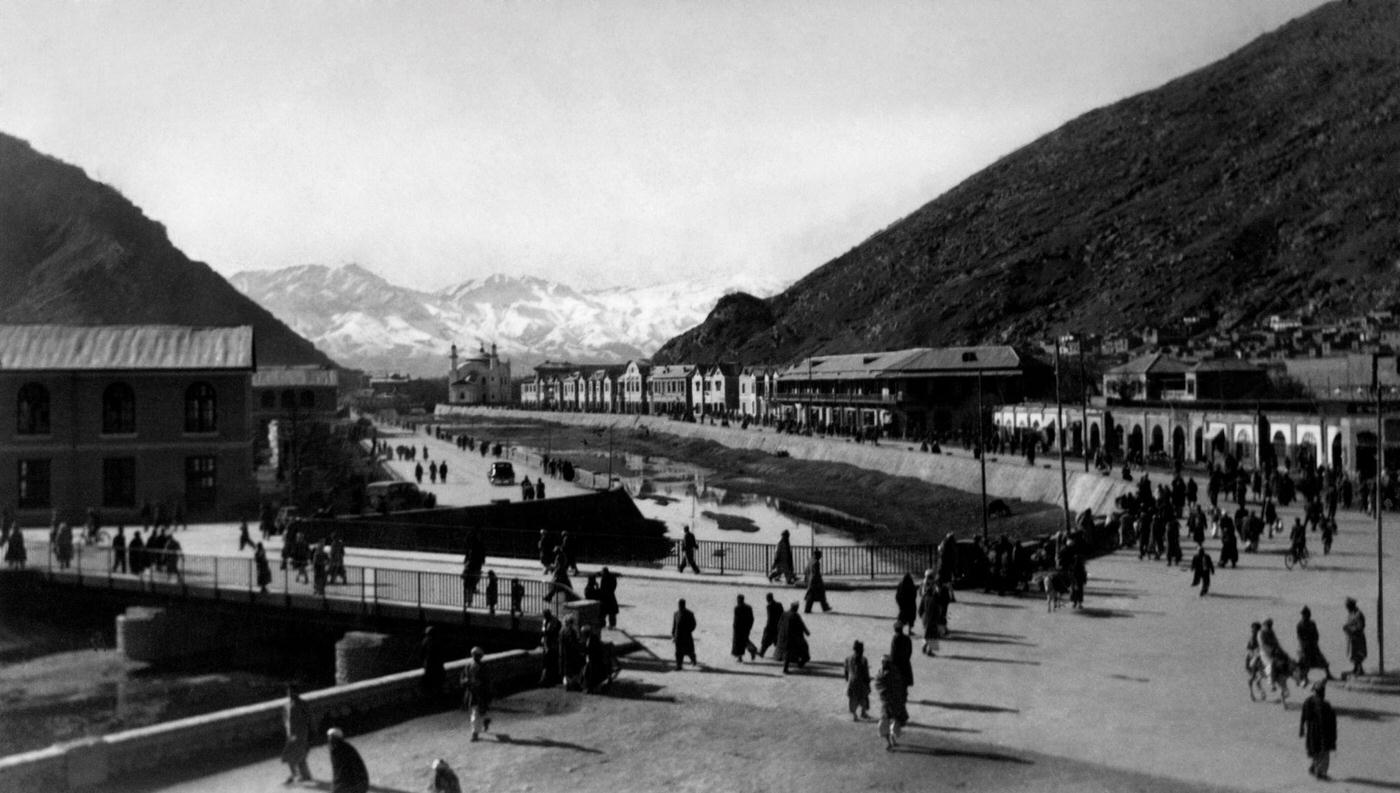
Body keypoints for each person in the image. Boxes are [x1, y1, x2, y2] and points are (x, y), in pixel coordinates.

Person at [1299, 682, 1338, 780]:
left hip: (1311, 731)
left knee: (1315, 749)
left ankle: (1314, 767)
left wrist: (1302, 728)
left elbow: (1303, 716)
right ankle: (1320, 772)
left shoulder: (1308, 701)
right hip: (1322, 732)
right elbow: (1329, 720)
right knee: (1324, 752)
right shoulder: (1325, 705)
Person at [874, 654, 909, 751]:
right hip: (887, 703)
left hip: (894, 703)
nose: (882, 664)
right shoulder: (882, 673)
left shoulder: (894, 673)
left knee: (893, 722)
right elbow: (878, 684)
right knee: (884, 723)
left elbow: (900, 687)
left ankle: (892, 740)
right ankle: (889, 742)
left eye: (884, 662)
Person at [282, 686, 313, 785]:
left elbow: (309, 719)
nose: (290, 694)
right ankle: (299, 774)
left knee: (299, 755)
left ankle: (303, 775)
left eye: (292, 692)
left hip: (301, 734)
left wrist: (311, 732)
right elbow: (285, 720)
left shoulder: (303, 704)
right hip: (291, 735)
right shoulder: (286, 705)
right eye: (289, 692)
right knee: (289, 755)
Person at [461, 647, 493, 741]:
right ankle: (483, 722)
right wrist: (466, 681)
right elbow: (462, 679)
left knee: (476, 712)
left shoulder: (481, 667)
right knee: (477, 711)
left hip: (480, 693)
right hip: (473, 693)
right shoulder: (469, 666)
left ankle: (475, 733)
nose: (475, 657)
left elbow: (487, 682)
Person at [1295, 606, 1333, 681]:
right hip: (1305, 647)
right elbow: (1299, 636)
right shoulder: (1300, 625)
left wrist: (1315, 641)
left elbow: (1316, 634)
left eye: (1308, 614)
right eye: (1305, 614)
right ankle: (1304, 677)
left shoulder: (1312, 623)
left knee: (1322, 661)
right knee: (1305, 663)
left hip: (1313, 646)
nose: (1307, 616)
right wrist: (1304, 645)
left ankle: (1328, 674)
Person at [326, 727, 369, 793]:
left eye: (332, 737)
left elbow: (343, 772)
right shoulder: (344, 748)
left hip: (352, 784)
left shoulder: (339, 749)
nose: (330, 739)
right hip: (357, 784)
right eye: (329, 737)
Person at [774, 602, 810, 674]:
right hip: (794, 638)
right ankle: (800, 664)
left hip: (784, 637)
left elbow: (779, 625)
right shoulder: (795, 615)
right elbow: (801, 625)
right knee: (805, 652)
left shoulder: (784, 614)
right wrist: (807, 632)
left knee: (787, 653)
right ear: (796, 608)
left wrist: (780, 634)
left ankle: (787, 667)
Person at [844, 640, 871, 721]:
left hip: (851, 681)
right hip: (861, 681)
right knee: (863, 697)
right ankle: (863, 712)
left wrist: (847, 679)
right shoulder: (864, 660)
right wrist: (868, 682)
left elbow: (845, 670)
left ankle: (854, 715)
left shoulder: (848, 658)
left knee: (852, 698)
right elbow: (866, 672)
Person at [916, 570, 939, 656]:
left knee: (927, 634)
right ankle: (929, 650)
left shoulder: (925, 597)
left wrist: (921, 615)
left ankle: (925, 647)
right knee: (933, 635)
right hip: (932, 619)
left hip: (925, 618)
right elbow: (937, 610)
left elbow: (920, 608)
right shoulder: (934, 599)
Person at [1343, 598, 1367, 678]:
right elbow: (1349, 623)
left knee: (1358, 653)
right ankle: (1355, 668)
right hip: (1352, 638)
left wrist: (1351, 629)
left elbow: (1361, 626)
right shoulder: (1351, 614)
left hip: (1358, 637)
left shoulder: (1358, 614)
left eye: (1348, 606)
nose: (1347, 608)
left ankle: (1360, 669)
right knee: (1353, 654)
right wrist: (1346, 627)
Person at [420, 626, 445, 702]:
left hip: (429, 665)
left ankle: (431, 697)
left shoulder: (425, 641)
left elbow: (421, 654)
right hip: (437, 665)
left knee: (430, 683)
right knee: (438, 682)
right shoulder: (438, 641)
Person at [672, 598, 698, 670]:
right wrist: (673, 634)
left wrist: (688, 630)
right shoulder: (676, 613)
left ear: (684, 604)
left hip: (686, 636)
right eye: (679, 604)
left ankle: (693, 660)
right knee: (678, 652)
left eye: (681, 604)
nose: (680, 606)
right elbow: (674, 625)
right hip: (678, 636)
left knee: (689, 651)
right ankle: (679, 665)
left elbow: (693, 624)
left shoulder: (689, 613)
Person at [731, 594, 757, 662]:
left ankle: (741, 657)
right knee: (745, 641)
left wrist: (734, 627)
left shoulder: (737, 608)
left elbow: (736, 620)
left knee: (739, 643)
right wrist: (749, 627)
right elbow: (752, 618)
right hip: (746, 628)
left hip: (738, 629)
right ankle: (752, 650)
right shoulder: (748, 607)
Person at [540, 609, 562, 686]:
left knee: (550, 663)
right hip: (547, 644)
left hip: (552, 645)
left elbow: (550, 633)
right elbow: (544, 632)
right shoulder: (545, 621)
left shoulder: (554, 622)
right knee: (546, 663)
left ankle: (548, 679)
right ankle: (545, 679)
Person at [890, 621, 914, 688]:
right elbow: (910, 651)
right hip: (905, 662)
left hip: (897, 663)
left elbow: (893, 652)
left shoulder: (895, 638)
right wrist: (907, 658)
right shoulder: (907, 638)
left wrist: (892, 662)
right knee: (905, 679)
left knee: (898, 679)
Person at [758, 592, 782, 658]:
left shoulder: (769, 606)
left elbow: (770, 618)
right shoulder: (779, 604)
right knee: (777, 642)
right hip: (778, 626)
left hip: (771, 627)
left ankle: (761, 653)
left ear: (768, 599)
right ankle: (780, 654)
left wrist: (767, 627)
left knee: (766, 641)